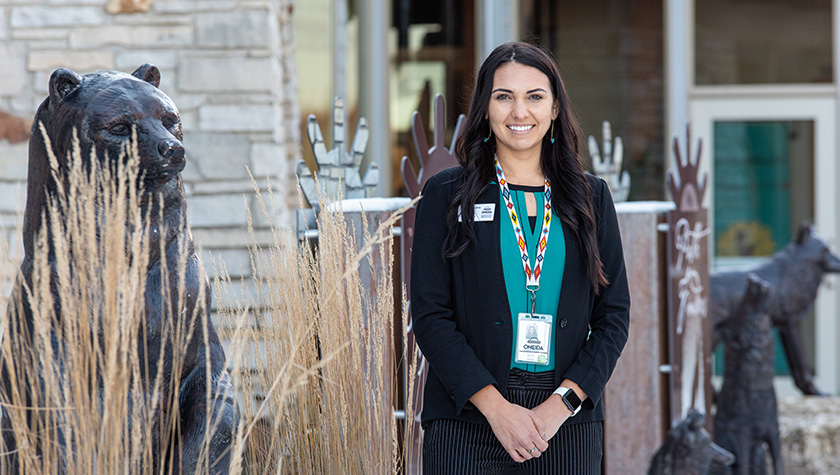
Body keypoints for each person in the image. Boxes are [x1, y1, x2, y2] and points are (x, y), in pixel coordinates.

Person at [410, 41, 630, 474]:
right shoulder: (446, 195)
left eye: (534, 97)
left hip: (565, 425)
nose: (519, 112)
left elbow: (614, 318)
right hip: (467, 419)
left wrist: (559, 407)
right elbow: (431, 315)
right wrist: (496, 409)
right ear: (485, 110)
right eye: (503, 96)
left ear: (554, 111)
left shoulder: (592, 199)